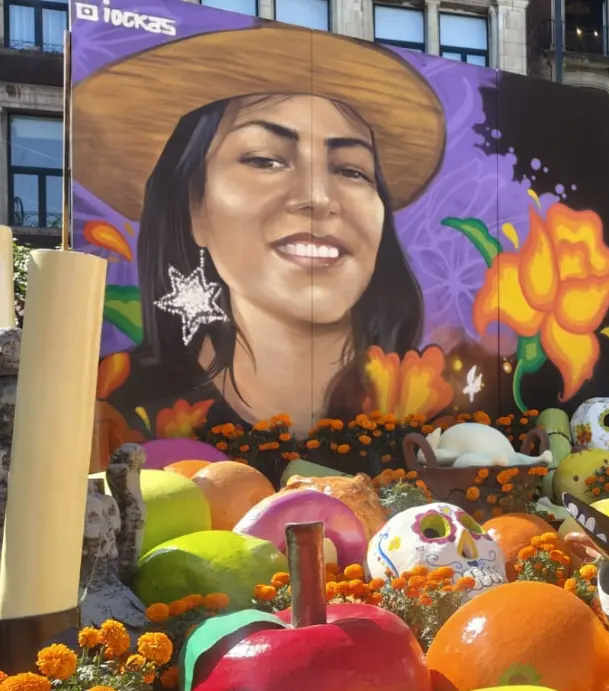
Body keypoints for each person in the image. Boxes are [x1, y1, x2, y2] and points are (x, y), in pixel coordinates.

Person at [72, 25, 446, 433]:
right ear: (194, 208)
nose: (318, 197)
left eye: (351, 170)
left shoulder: (434, 409)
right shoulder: (120, 412)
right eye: (265, 160)